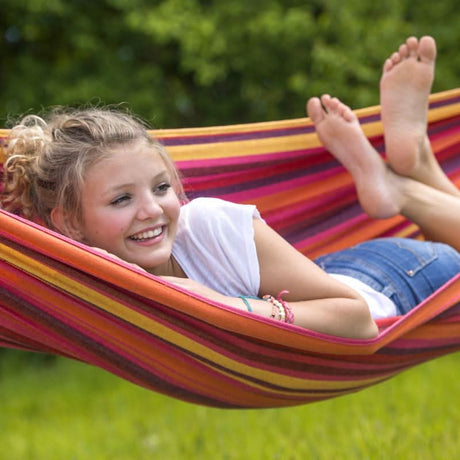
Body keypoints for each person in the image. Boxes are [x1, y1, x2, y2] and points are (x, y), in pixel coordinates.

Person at [2, 36, 459, 340]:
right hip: (324, 279)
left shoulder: (207, 223)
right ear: (69, 223)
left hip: (395, 285)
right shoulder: (81, 283)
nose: (152, 210)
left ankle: (403, 184)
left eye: (161, 188)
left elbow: (359, 322)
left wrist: (224, 307)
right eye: (122, 199)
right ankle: (412, 166)